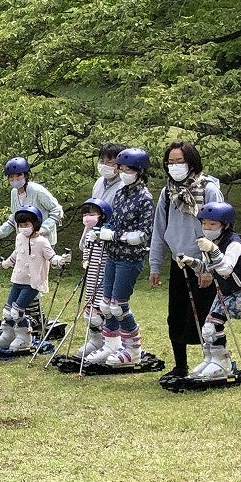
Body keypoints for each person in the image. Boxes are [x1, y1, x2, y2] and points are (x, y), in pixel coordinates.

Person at [148, 140, 223, 380]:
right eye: (170, 162)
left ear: (191, 162)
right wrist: (155, 265)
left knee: (206, 317)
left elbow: (218, 232)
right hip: (179, 261)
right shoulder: (167, 192)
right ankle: (180, 365)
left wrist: (209, 268)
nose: (175, 166)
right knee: (176, 316)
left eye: (179, 161)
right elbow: (159, 229)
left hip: (202, 263)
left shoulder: (209, 189)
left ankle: (214, 362)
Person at [86, 148, 155, 365]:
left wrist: (116, 235)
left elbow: (144, 234)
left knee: (119, 305)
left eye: (127, 169)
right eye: (121, 168)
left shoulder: (144, 197)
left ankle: (133, 350)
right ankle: (111, 345)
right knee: (106, 304)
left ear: (139, 171)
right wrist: (100, 232)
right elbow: (113, 222)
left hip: (130, 258)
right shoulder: (121, 192)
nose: (123, 172)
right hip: (113, 254)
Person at [177, 203, 241, 379]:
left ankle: (223, 364)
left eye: (212, 224)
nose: (207, 228)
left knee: (211, 326)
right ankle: (211, 359)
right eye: (204, 223)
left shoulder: (234, 243)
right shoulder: (211, 243)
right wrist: (190, 261)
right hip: (225, 289)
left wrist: (213, 250)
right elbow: (207, 269)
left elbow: (225, 268)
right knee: (208, 327)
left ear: (225, 225)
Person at [0, 206, 69, 350]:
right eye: (20, 225)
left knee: (17, 312)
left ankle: (24, 338)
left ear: (35, 224)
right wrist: (3, 264)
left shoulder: (42, 242)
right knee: (7, 312)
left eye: (26, 225)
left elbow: (51, 257)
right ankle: (8, 335)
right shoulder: (19, 237)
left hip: (32, 283)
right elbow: (16, 255)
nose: (23, 228)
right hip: (17, 280)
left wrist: (61, 260)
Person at [0, 157, 63, 245]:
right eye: (11, 177)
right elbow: (14, 219)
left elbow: (57, 210)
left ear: (26, 175)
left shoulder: (37, 190)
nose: (15, 179)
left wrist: (42, 229)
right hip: (23, 242)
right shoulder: (14, 193)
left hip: (44, 241)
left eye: (18, 175)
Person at [72, 198, 113, 359]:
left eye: (91, 214)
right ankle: (95, 340)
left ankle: (107, 343)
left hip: (103, 279)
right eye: (85, 215)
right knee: (89, 313)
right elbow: (86, 255)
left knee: (100, 312)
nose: (87, 217)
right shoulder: (88, 234)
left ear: (102, 215)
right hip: (90, 278)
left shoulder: (106, 234)